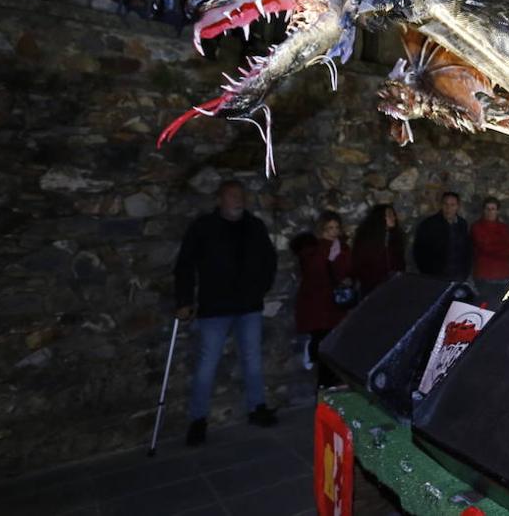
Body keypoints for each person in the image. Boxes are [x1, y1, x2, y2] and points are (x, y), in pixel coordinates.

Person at [173, 180, 278, 446]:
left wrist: (260, 289)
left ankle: (257, 407)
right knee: (207, 363)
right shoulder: (204, 228)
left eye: (240, 196)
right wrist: (184, 299)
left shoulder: (253, 227)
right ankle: (198, 419)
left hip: (248, 306)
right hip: (215, 307)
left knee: (253, 358)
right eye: (232, 196)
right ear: (221, 199)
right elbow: (185, 264)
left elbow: (269, 260)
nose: (237, 200)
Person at [289, 211, 353, 388]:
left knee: (334, 350)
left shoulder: (342, 248)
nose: (333, 232)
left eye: (336, 228)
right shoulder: (312, 251)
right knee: (325, 351)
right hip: (319, 307)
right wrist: (330, 257)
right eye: (329, 228)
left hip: (335, 307)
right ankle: (325, 388)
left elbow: (346, 272)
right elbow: (314, 275)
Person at [412, 191, 472, 281]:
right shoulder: (429, 224)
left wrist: (466, 272)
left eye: (452, 205)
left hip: (458, 275)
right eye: (445, 204)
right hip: (436, 276)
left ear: (457, 206)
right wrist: (428, 272)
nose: (448, 208)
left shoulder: (462, 224)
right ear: (441, 205)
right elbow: (419, 251)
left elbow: (467, 249)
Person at [470, 197, 509, 307]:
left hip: (504, 276)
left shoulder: (504, 228)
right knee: (485, 307)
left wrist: (495, 248)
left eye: (493, 209)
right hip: (485, 276)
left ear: (497, 211)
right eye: (488, 209)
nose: (490, 212)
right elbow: (485, 248)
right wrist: (503, 249)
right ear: (483, 210)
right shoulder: (477, 227)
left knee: (501, 307)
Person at [351, 203, 406, 295]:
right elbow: (360, 266)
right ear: (380, 218)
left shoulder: (395, 238)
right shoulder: (366, 240)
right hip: (373, 289)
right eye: (389, 215)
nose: (394, 218)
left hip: (393, 288)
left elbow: (399, 262)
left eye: (393, 215)